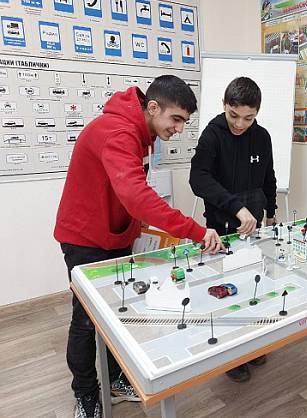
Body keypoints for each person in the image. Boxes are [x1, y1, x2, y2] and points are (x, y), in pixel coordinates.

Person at [54, 75, 224, 418]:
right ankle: (86, 394)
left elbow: (125, 194)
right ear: (153, 107)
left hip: (114, 235)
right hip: (85, 239)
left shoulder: (141, 132)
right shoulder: (118, 132)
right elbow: (137, 198)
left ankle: (115, 380)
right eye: (176, 119)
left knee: (118, 313)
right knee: (86, 321)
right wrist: (195, 231)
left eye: (184, 121)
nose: (179, 128)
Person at [189, 76, 277, 382]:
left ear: (257, 113)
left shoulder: (262, 137)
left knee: (255, 286)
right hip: (221, 229)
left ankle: (251, 344)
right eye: (233, 115)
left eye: (248, 118)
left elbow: (268, 177)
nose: (239, 124)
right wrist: (235, 207)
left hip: (255, 227)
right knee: (227, 294)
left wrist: (271, 214)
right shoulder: (212, 135)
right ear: (224, 105)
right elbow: (198, 179)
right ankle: (230, 355)